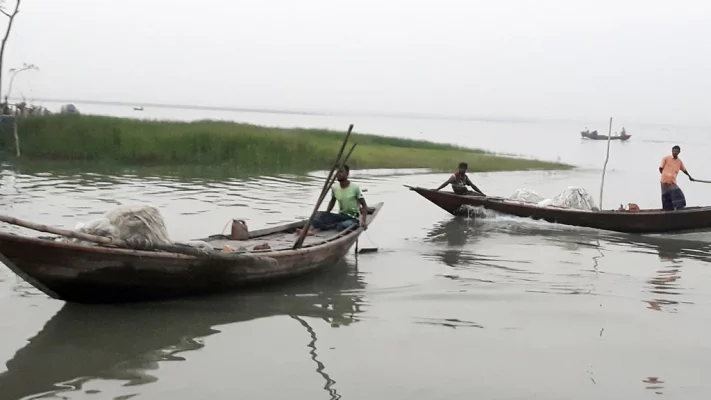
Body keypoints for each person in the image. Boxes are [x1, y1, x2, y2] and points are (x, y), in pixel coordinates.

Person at [296, 164, 368, 236]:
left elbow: (364, 205)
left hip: (352, 218)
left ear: (347, 174)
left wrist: (364, 221)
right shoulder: (335, 187)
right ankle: (309, 231)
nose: (338, 174)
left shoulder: (354, 188)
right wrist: (326, 215)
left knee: (341, 226)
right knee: (317, 214)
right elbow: (332, 201)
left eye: (341, 172)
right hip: (341, 216)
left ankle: (329, 226)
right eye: (337, 172)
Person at [659, 145, 694, 211]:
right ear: (671, 151)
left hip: (672, 181)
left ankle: (678, 208)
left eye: (676, 151)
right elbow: (660, 168)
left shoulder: (679, 162)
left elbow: (684, 170)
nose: (674, 152)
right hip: (664, 180)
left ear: (679, 152)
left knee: (678, 194)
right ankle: (667, 209)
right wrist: (665, 175)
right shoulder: (666, 158)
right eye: (673, 151)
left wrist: (690, 177)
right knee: (666, 195)